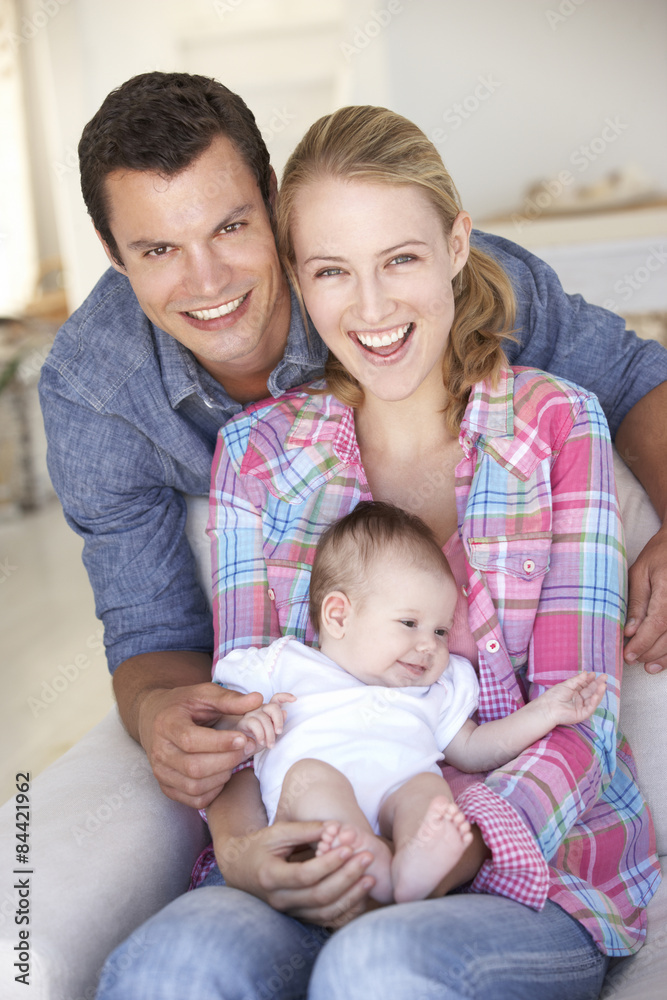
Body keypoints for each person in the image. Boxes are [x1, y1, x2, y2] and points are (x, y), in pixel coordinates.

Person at [96, 104, 660, 1000]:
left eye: (398, 258)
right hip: (313, 850)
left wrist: (434, 844)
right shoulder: (257, 452)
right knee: (174, 966)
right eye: (331, 271)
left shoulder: (557, 426)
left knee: (376, 966)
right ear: (297, 281)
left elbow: (576, 719)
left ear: (456, 243)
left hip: (535, 872)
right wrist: (246, 853)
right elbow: (243, 712)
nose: (370, 307)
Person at [216, 500, 607, 905]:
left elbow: (474, 750)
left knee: (426, 790)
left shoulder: (433, 690)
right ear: (338, 616)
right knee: (311, 778)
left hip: (396, 797)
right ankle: (359, 857)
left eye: (440, 630)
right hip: (310, 810)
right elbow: (218, 719)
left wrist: (544, 713)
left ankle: (410, 867)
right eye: (409, 623)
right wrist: (247, 722)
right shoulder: (284, 664)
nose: (428, 646)